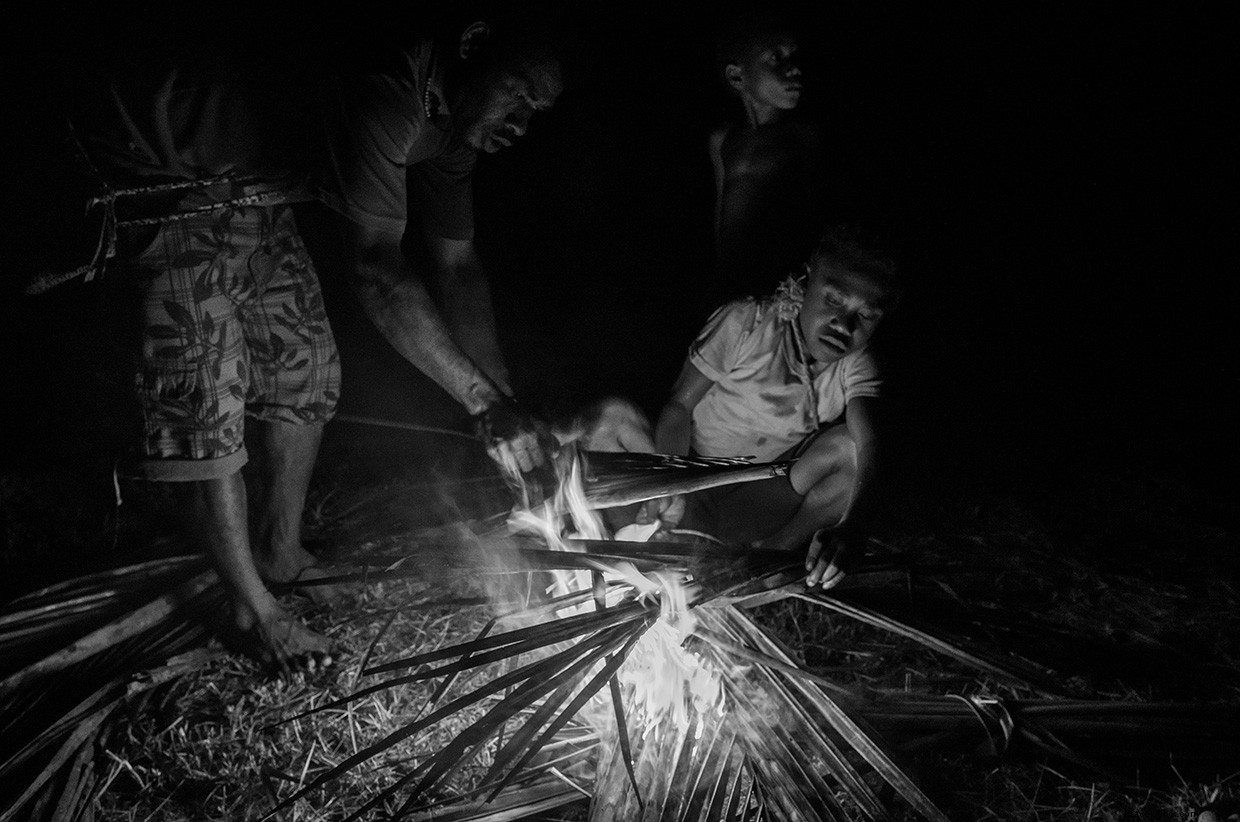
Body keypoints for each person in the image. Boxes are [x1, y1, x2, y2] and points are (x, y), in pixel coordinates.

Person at [51, 11, 565, 674]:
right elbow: (377, 269)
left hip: (258, 188)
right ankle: (251, 612)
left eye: (539, 111)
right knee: (204, 401)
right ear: (473, 45)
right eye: (520, 95)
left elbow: (457, 266)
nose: (523, 125)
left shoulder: (455, 128)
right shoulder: (391, 76)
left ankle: (280, 552)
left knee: (305, 372)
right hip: (166, 172)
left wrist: (506, 407)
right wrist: (481, 403)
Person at [652, 222, 903, 589]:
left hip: (754, 498)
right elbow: (678, 408)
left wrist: (855, 526)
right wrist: (671, 490)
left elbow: (869, 443)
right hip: (690, 478)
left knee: (850, 449)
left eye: (865, 316)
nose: (843, 324)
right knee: (612, 417)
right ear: (806, 281)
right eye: (834, 298)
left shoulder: (856, 363)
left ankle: (762, 562)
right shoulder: (748, 322)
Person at [708, 11, 828, 312]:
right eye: (776, 58)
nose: (795, 69)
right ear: (737, 76)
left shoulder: (802, 137)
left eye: (795, 58)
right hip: (732, 287)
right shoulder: (722, 139)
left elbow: (813, 213)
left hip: (781, 290)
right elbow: (721, 210)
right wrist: (718, 276)